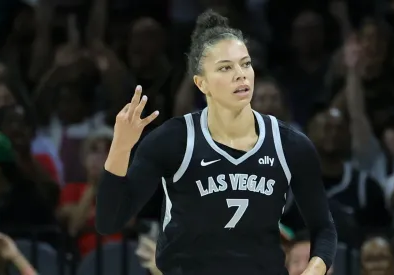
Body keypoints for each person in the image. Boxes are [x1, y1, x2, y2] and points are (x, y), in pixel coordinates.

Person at [96, 9, 337, 275]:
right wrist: (121, 147)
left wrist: (314, 269)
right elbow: (109, 221)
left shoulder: (290, 144)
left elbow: (324, 228)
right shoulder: (173, 140)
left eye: (245, 64)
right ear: (202, 83)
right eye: (226, 67)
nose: (241, 74)